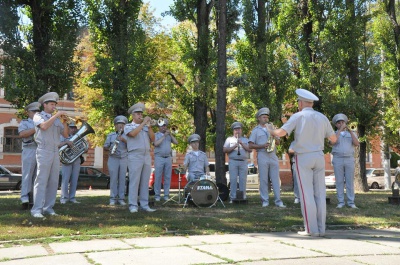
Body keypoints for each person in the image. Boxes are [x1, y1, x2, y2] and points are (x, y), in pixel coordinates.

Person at [271, 88, 337, 237]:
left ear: (301, 103)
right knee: (320, 193)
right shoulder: (322, 117)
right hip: (319, 156)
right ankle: (321, 229)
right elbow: (333, 139)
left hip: (303, 156)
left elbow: (281, 132)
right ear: (311, 103)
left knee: (306, 193)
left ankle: (311, 229)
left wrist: (271, 131)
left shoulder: (298, 116)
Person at [31, 92, 69, 218]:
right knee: (41, 180)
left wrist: (64, 122)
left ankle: (48, 208)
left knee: (53, 181)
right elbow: (44, 126)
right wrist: (57, 115)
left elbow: (66, 135)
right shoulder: (38, 116)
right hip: (43, 150)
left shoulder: (57, 119)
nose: (54, 106)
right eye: (52, 104)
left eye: (55, 104)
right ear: (45, 105)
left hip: (55, 151)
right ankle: (36, 209)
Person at [249, 108, 286, 208]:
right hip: (262, 154)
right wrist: (262, 146)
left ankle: (278, 201)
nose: (266, 118)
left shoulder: (272, 128)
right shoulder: (256, 130)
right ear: (259, 118)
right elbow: (250, 145)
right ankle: (265, 200)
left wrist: (274, 135)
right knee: (263, 179)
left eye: (267, 117)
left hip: (273, 155)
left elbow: (278, 143)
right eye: (264, 117)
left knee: (275, 179)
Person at [124, 103, 156, 213]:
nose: (140, 115)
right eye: (138, 114)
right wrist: (143, 123)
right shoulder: (128, 126)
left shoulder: (145, 127)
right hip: (135, 155)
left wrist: (149, 126)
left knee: (145, 181)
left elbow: (153, 138)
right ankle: (133, 205)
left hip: (146, 155)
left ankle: (144, 204)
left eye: (141, 113)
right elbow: (132, 134)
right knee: (134, 181)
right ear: (132, 115)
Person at [331, 113, 360, 209]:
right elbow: (332, 142)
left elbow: (356, 144)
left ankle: (351, 202)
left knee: (349, 181)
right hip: (337, 158)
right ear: (336, 125)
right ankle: (341, 202)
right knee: (339, 181)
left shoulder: (351, 133)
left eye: (342, 122)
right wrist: (339, 131)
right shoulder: (333, 134)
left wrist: (351, 131)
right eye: (339, 123)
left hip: (349, 159)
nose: (341, 124)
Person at [18, 102, 41, 209]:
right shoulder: (25, 122)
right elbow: (22, 134)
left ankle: (34, 198)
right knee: (27, 175)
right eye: (34, 112)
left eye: (38, 111)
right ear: (28, 113)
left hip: (40, 150)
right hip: (29, 149)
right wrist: (36, 128)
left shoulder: (42, 122)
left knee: (37, 176)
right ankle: (24, 198)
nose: (36, 113)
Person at [223, 122, 252, 203]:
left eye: (239, 129)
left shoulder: (246, 140)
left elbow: (250, 150)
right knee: (233, 180)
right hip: (233, 161)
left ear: (241, 130)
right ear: (233, 131)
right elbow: (225, 150)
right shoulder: (229, 139)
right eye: (236, 130)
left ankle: (243, 197)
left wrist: (242, 143)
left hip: (243, 161)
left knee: (243, 180)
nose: (237, 131)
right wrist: (234, 146)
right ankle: (233, 197)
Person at [104, 115, 128, 206]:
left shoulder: (128, 136)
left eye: (122, 124)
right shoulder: (111, 135)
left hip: (123, 158)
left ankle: (121, 198)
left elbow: (132, 146)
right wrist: (110, 147)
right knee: (113, 179)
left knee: (122, 179)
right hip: (113, 158)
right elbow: (105, 146)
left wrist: (124, 140)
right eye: (118, 124)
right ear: (115, 126)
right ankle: (113, 198)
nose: (120, 126)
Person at [153, 118, 178, 202]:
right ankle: (157, 195)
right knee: (158, 177)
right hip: (159, 157)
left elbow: (176, 142)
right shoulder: (155, 135)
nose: (164, 127)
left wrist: (170, 135)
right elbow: (156, 144)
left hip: (168, 158)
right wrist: (164, 136)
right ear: (159, 127)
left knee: (167, 177)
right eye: (162, 126)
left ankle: (166, 195)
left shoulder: (168, 135)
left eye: (165, 125)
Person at [59, 122, 81, 204]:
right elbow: (58, 145)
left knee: (74, 179)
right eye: (71, 128)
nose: (73, 129)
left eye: (74, 128)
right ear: (68, 128)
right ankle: (64, 198)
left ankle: (72, 197)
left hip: (76, 159)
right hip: (67, 160)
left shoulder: (79, 137)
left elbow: (85, 149)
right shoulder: (63, 136)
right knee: (65, 179)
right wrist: (66, 143)